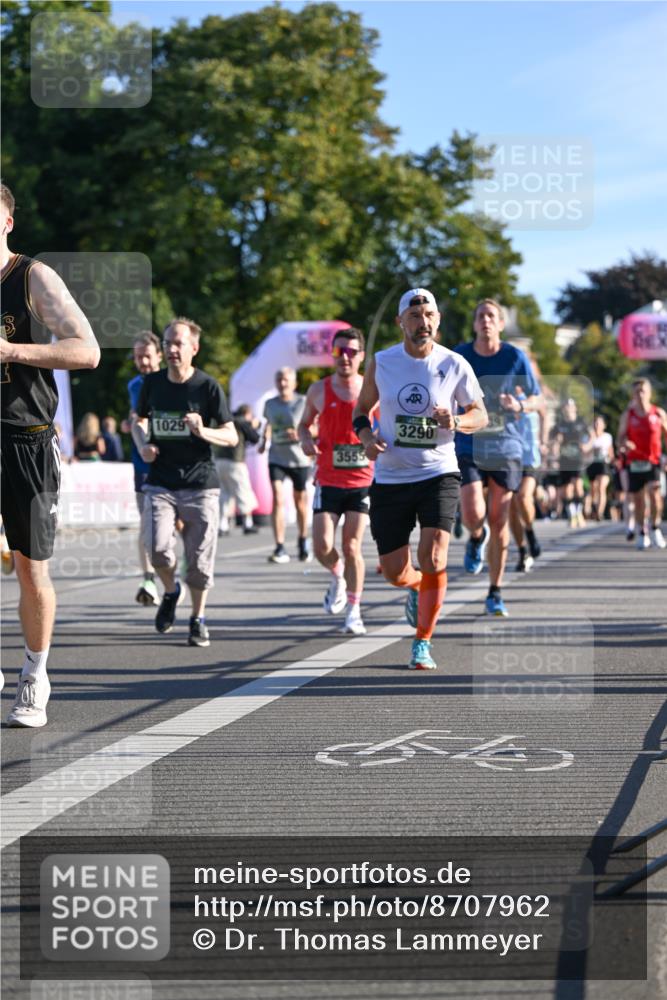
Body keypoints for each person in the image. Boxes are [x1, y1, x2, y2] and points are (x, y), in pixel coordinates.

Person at [0, 181, 100, 723]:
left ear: (7, 223)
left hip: (27, 439)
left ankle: (35, 674)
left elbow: (87, 350)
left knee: (30, 571)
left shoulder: (32, 276)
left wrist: (11, 350)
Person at [352, 288, 487, 670]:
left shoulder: (455, 363)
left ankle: (422, 641)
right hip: (392, 476)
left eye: (429, 315)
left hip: (438, 471)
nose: (422, 322)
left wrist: (458, 421)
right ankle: (414, 587)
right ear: (401, 322)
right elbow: (362, 410)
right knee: (396, 572)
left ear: (438, 320)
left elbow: (481, 414)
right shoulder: (382, 362)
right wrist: (366, 438)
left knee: (434, 556)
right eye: (414, 316)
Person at [132, 317, 238, 646]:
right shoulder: (153, 384)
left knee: (200, 562)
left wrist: (202, 430)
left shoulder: (207, 387)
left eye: (178, 343)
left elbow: (231, 436)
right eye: (167, 343)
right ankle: (170, 590)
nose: (172, 348)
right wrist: (142, 444)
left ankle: (197, 618)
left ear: (194, 348)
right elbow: (138, 420)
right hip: (161, 481)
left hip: (200, 483)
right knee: (157, 548)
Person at [454, 299, 540, 616]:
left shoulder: (515, 357)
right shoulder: (460, 355)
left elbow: (535, 398)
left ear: (500, 324)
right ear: (475, 324)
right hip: (470, 443)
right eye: (481, 316)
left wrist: (519, 406)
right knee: (473, 513)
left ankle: (495, 590)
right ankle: (476, 537)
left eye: (492, 316)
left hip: (506, 445)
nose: (486, 321)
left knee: (500, 520)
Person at [298, 327, 374, 636]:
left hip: (361, 480)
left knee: (352, 545)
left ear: (361, 356)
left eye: (351, 352)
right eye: (339, 351)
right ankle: (337, 573)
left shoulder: (373, 390)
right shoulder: (318, 390)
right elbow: (303, 425)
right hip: (327, 480)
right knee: (322, 547)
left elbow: (386, 426)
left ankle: (354, 611)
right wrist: (305, 441)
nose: (345, 357)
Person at [121, 331, 163, 606]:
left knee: (175, 525)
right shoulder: (134, 385)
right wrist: (130, 423)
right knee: (147, 521)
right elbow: (135, 415)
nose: (143, 362)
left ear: (159, 355)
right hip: (142, 463)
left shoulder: (171, 383)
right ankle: (148, 578)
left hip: (171, 461)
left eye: (147, 356)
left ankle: (175, 569)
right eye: (138, 357)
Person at [259, 367, 312, 564]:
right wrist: (265, 441)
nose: (283, 383)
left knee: (300, 501)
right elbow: (269, 424)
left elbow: (314, 427)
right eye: (279, 379)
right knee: (278, 497)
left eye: (286, 380)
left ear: (294, 383)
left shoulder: (303, 402)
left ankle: (302, 540)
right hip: (277, 457)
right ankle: (279, 546)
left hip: (298, 458)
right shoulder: (269, 404)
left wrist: (300, 434)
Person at [617, 378, 667, 549]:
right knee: (639, 501)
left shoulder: (658, 413)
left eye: (643, 391)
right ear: (633, 395)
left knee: (655, 496)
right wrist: (625, 444)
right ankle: (642, 532)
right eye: (637, 391)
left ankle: (654, 527)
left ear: (649, 393)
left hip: (653, 461)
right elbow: (620, 438)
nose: (640, 395)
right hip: (635, 462)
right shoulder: (628, 415)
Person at [510, 382, 546, 572]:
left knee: (523, 497)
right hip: (507, 458)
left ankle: (530, 531)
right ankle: (523, 550)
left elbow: (544, 413)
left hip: (530, 458)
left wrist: (544, 440)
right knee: (511, 508)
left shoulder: (533, 393)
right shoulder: (502, 393)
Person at [215, 403, 260, 536]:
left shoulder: (226, 419)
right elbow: (254, 438)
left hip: (219, 460)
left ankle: (222, 525)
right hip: (235, 462)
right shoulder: (242, 422)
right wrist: (253, 426)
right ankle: (247, 523)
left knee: (224, 493)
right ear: (247, 414)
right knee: (242, 491)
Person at [551, 398, 590, 529]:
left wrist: (587, 445)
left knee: (578, 486)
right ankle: (572, 514)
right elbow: (552, 440)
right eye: (565, 406)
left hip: (578, 459)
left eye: (570, 406)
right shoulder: (560, 424)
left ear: (574, 408)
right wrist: (555, 446)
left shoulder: (581, 422)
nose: (567, 408)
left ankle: (579, 513)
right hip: (564, 459)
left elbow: (592, 436)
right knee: (566, 490)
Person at [586, 415, 614, 521]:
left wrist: (611, 459)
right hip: (592, 464)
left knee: (602, 488)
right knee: (593, 489)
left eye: (599, 423)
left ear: (604, 425)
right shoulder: (589, 436)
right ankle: (593, 506)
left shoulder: (607, 437)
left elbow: (611, 452)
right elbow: (584, 451)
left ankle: (600, 512)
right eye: (595, 423)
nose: (597, 425)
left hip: (603, 464)